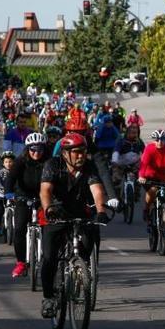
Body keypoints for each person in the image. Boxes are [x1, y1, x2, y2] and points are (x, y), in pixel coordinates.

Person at [39, 133, 109, 317]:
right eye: (76, 152)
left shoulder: (89, 166)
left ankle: (80, 272)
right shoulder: (52, 165)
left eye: (83, 152)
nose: (81, 156)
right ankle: (48, 298)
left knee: (90, 239)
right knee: (49, 258)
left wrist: (101, 211)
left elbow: (97, 189)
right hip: (56, 213)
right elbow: (45, 190)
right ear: (65, 153)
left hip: (79, 212)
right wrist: (49, 209)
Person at [3, 140, 47, 277]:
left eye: (40, 150)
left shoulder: (49, 161)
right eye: (33, 150)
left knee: (49, 228)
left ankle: (49, 259)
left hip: (43, 198)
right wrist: (9, 193)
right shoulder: (21, 161)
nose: (36, 153)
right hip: (23, 197)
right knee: (20, 228)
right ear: (28, 149)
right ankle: (21, 262)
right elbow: (10, 178)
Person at [111, 125, 144, 193]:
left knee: (140, 178)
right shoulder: (121, 140)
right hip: (121, 163)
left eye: (136, 133)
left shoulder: (139, 141)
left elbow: (145, 152)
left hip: (135, 164)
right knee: (117, 179)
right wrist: (115, 162)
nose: (135, 135)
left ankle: (137, 191)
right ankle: (116, 195)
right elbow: (116, 151)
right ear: (128, 133)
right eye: (132, 133)